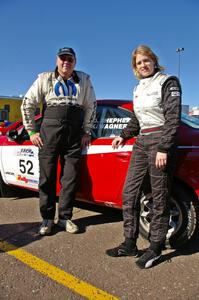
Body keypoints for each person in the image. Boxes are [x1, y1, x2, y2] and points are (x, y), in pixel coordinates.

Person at [106, 45, 181, 269]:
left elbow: (173, 116)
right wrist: (123, 135)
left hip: (160, 139)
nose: (143, 65)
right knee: (129, 193)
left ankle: (155, 248)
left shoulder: (168, 81)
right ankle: (129, 244)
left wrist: (164, 147)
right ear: (135, 68)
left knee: (159, 196)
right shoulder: (138, 88)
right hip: (141, 142)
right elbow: (137, 119)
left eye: (146, 60)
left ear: (154, 61)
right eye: (139, 63)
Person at [21, 47, 96, 235]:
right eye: (63, 59)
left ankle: (65, 218)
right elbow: (27, 103)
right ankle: (47, 218)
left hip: (74, 135)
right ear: (57, 61)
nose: (66, 62)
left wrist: (86, 131)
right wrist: (31, 131)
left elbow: (91, 106)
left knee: (70, 178)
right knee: (47, 177)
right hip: (49, 133)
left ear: (75, 62)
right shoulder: (44, 78)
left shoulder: (84, 80)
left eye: (70, 59)